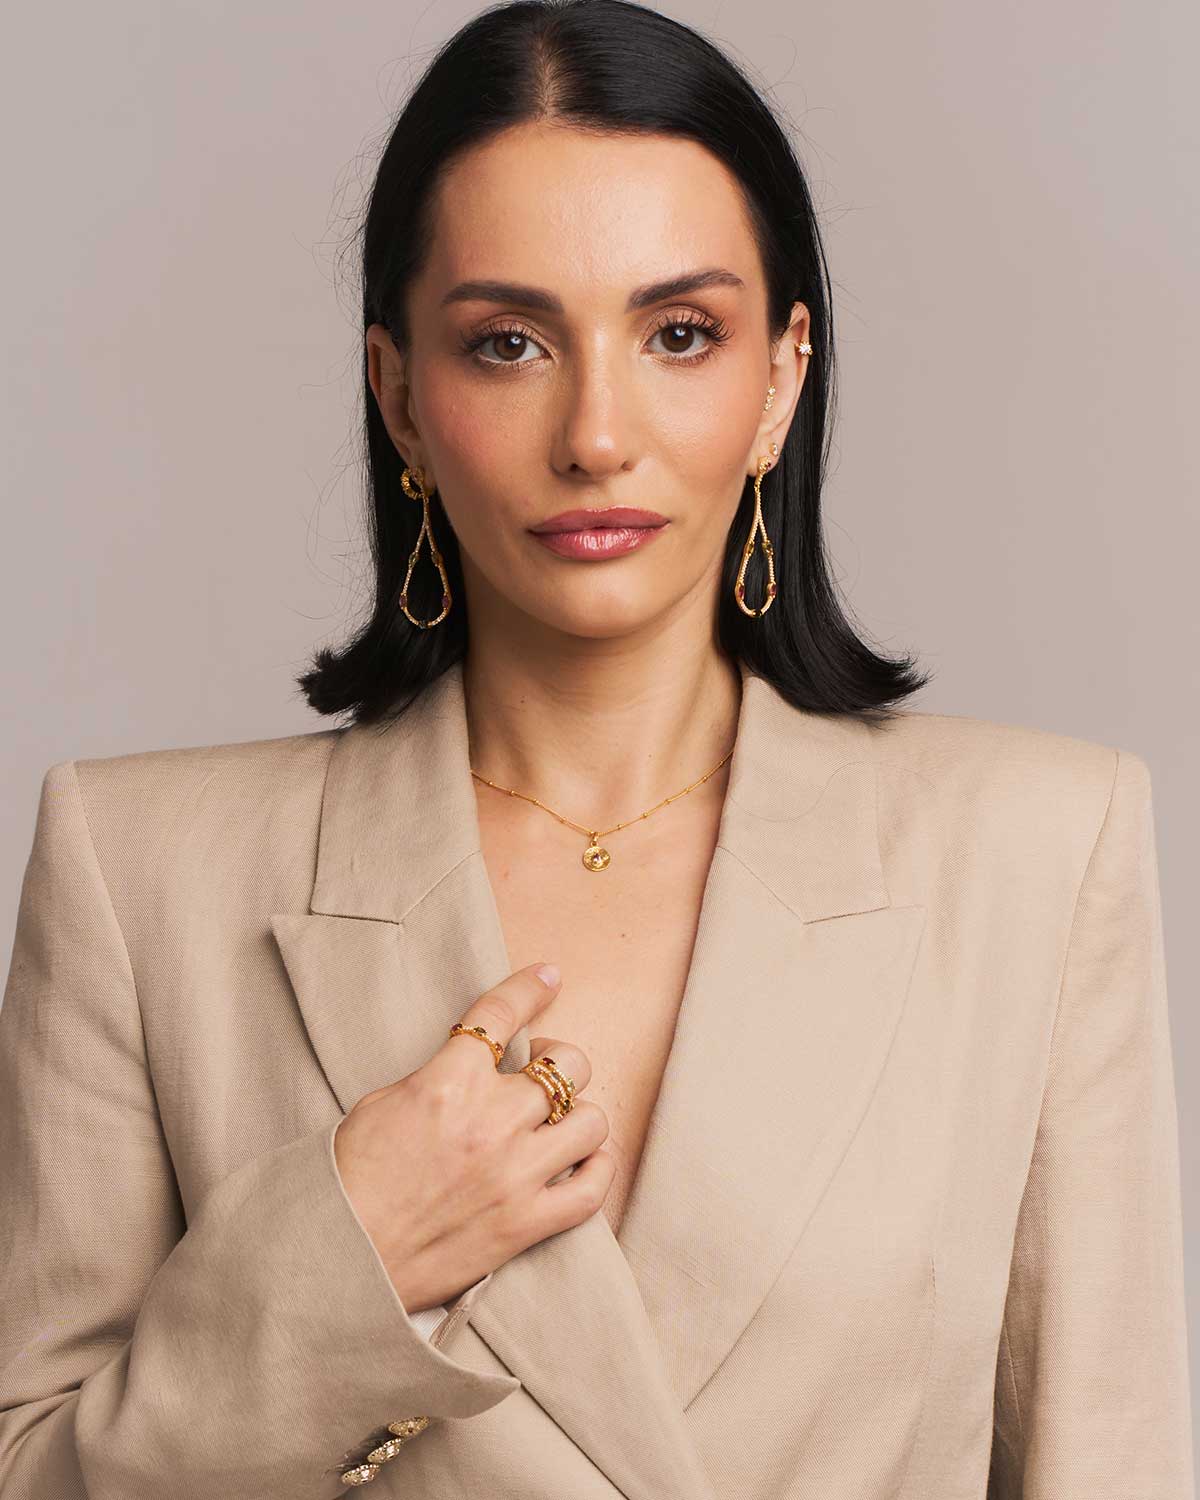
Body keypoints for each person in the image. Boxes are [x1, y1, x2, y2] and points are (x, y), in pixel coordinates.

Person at [0, 1, 1193, 1496]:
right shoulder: (144, 877)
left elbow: (1108, 1455)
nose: (597, 434)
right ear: (400, 397)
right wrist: (343, 1261)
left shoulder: (1038, 851)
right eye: (507, 344)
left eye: (679, 334)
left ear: (781, 379)